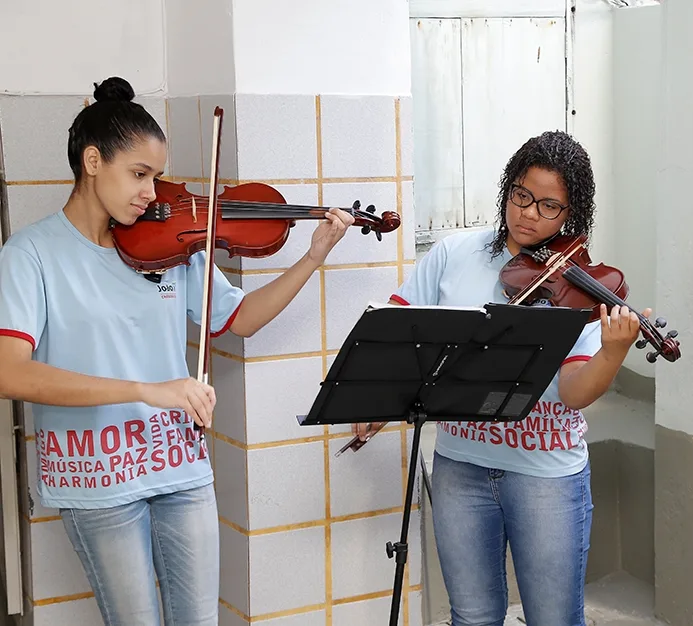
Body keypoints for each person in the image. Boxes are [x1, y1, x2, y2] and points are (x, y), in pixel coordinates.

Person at [0, 77, 354, 626]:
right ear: (93, 161)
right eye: (138, 174)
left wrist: (312, 257)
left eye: (156, 177)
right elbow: (10, 374)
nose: (151, 192)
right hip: (98, 478)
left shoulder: (171, 249)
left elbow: (241, 320)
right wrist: (148, 390)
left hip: (179, 468)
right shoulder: (30, 255)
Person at [351, 130, 647, 626]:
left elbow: (574, 392)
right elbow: (400, 331)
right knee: (471, 617)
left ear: (571, 213)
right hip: (460, 466)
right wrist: (385, 400)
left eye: (549, 206)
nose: (529, 213)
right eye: (522, 196)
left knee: (553, 619)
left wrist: (614, 352)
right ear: (508, 189)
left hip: (546, 474)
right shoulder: (454, 254)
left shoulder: (579, 285)